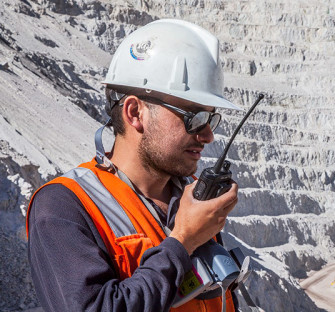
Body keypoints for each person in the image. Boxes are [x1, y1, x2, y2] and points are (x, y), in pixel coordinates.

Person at [27, 19, 243, 311]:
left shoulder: (192, 197)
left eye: (211, 118)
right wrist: (182, 241)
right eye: (195, 118)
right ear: (135, 112)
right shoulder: (63, 207)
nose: (207, 135)